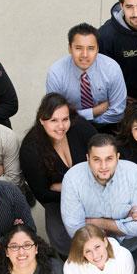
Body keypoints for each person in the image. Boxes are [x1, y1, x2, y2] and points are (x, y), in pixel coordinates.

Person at [20, 93, 98, 255]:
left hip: (94, 188)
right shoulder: (30, 149)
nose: (61, 126)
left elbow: (102, 151)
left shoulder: (79, 127)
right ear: (42, 120)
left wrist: (63, 186)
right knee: (61, 237)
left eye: (65, 119)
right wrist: (76, 190)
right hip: (58, 201)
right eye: (53, 120)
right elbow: (43, 193)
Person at [61, 133, 137, 252]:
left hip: (130, 244)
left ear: (117, 157)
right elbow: (75, 230)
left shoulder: (135, 173)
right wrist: (123, 222)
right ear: (88, 159)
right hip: (91, 248)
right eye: (97, 159)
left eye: (109, 159)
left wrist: (93, 222)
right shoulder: (72, 178)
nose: (103, 166)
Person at [46, 23, 127, 134]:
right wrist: (94, 112)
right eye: (78, 48)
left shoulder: (111, 68)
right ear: (70, 48)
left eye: (91, 48)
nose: (84, 54)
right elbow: (56, 114)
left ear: (98, 49)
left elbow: (117, 113)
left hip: (107, 126)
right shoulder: (56, 72)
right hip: (69, 129)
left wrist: (84, 119)